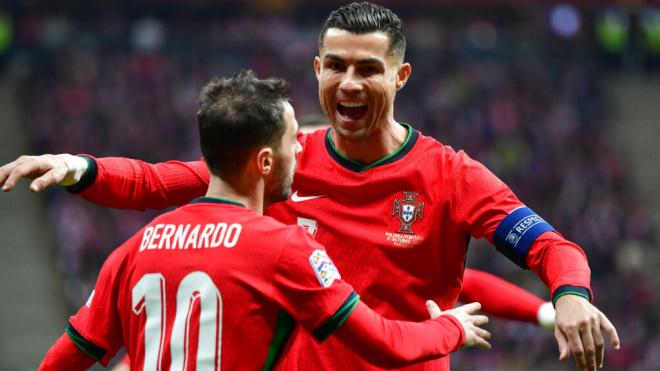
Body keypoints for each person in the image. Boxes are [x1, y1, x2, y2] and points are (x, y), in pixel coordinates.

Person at [2, 3, 617, 371]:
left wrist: (570, 295)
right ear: (316, 69)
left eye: (368, 69)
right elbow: (163, 183)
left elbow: (547, 244)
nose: (350, 83)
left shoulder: (450, 174)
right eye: (337, 66)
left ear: (399, 76)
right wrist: (81, 168)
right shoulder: (284, 159)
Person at [39, 70, 492, 370]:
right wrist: (448, 328)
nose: (303, 150)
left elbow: (60, 361)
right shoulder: (285, 249)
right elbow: (381, 344)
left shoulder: (134, 250)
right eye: (294, 140)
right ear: (264, 162)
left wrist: (78, 168)